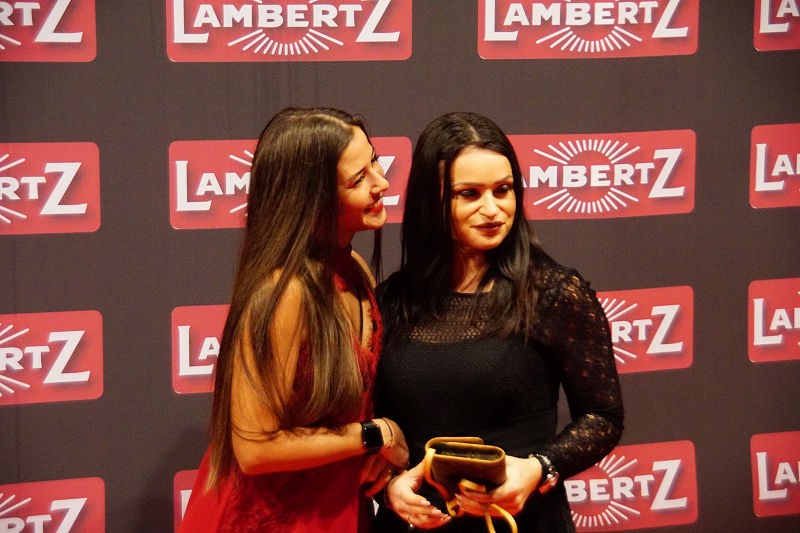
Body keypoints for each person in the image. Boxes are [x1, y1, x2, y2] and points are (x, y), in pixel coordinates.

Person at [373, 112, 624, 532]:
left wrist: (540, 466)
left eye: (503, 190)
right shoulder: (391, 299)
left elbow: (603, 416)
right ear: (430, 202)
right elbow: (374, 427)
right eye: (469, 194)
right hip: (414, 526)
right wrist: (389, 487)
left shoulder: (554, 293)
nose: (492, 209)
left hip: (522, 521)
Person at [179, 107, 408, 533]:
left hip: (335, 510)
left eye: (375, 162)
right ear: (312, 200)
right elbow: (255, 450)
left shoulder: (356, 270)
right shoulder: (285, 293)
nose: (381, 182)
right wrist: (377, 434)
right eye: (358, 179)